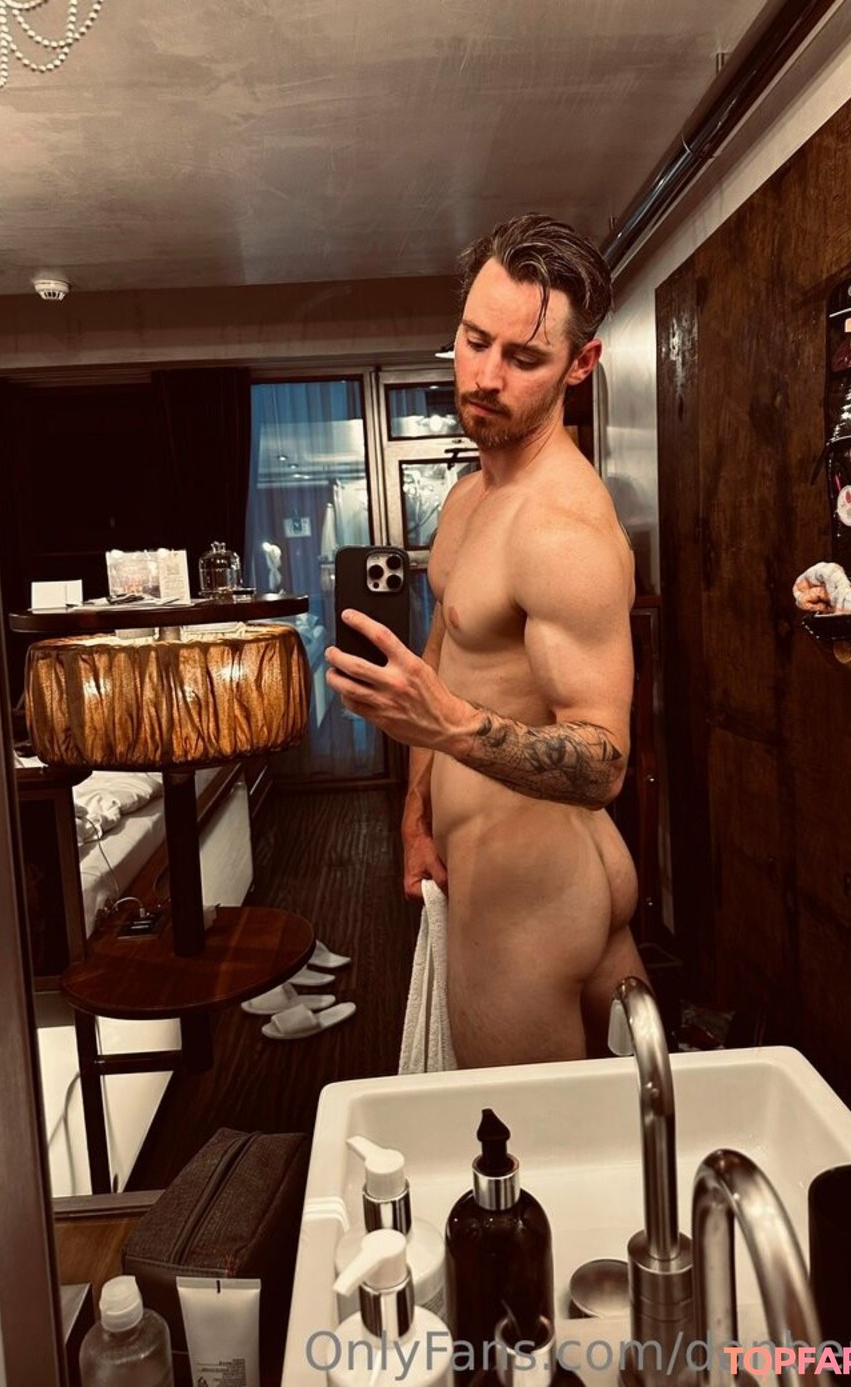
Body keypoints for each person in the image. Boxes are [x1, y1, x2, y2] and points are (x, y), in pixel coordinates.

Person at [325, 213, 644, 1066]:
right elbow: (445, 652)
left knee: (529, 1141)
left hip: (530, 896)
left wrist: (451, 727)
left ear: (581, 364)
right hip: (512, 871)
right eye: (474, 341)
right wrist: (416, 816)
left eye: (525, 358)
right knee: (621, 1127)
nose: (485, 376)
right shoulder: (472, 496)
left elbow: (605, 762)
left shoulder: (558, 528)